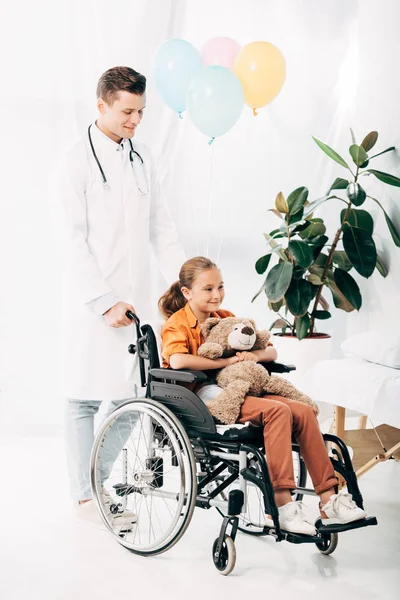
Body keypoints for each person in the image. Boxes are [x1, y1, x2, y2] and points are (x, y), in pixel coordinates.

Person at [54, 66, 185, 527]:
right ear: (101, 105)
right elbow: (72, 242)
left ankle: (95, 481)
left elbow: (162, 228)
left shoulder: (142, 156)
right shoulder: (75, 162)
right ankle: (86, 497)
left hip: (137, 301)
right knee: (83, 399)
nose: (136, 120)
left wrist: (183, 283)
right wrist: (103, 298)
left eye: (142, 112)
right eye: (127, 111)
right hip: (94, 304)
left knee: (134, 393)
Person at [159, 256, 367, 535]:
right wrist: (225, 363)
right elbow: (178, 362)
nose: (216, 294)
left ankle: (330, 500)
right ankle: (281, 506)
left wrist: (249, 355)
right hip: (203, 397)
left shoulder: (226, 317)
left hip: (240, 385)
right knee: (278, 412)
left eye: (220, 287)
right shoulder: (177, 324)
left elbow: (271, 351)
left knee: (302, 411)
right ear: (187, 292)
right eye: (208, 289)